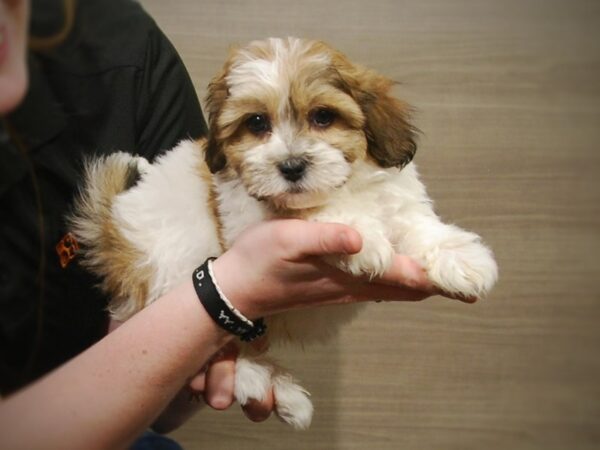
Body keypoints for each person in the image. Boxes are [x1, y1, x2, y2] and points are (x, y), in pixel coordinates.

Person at [0, 0, 470, 449]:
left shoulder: (123, 42)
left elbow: (161, 410)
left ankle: (234, 362)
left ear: (370, 121)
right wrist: (225, 298)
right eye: (258, 124)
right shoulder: (217, 182)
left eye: (323, 117)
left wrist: (431, 242)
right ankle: (242, 364)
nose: (288, 155)